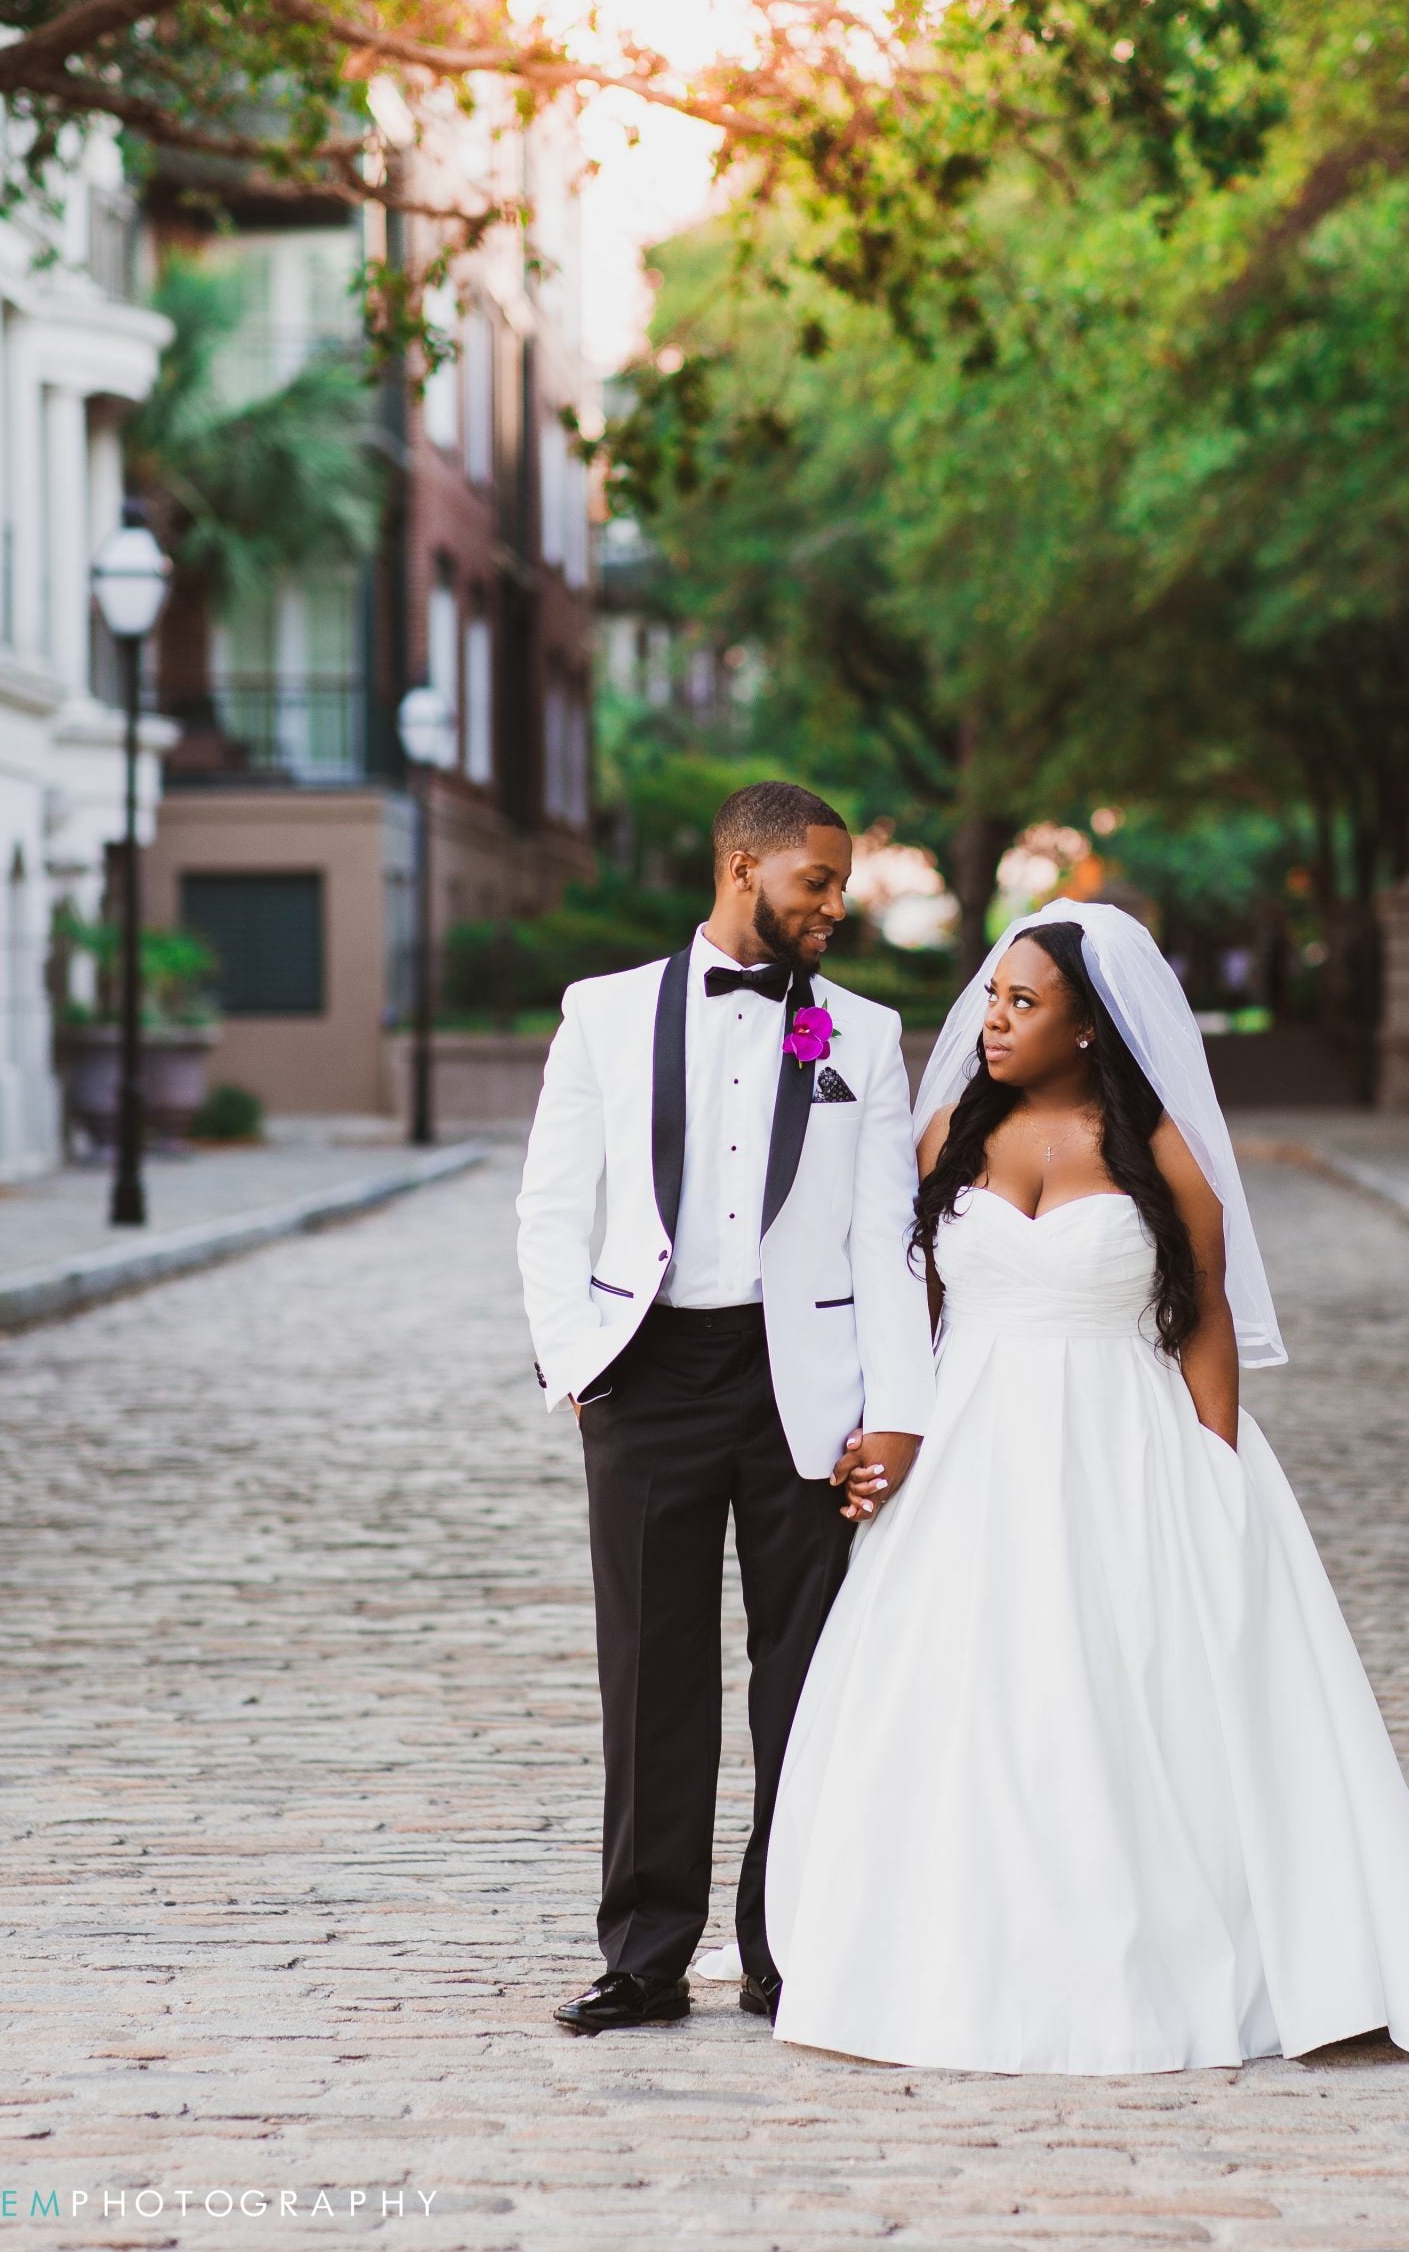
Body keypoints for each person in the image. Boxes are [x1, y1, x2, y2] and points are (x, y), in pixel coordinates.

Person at [763, 898, 1409, 2075]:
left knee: (1135, 1697)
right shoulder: (947, 1130)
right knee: (966, 1699)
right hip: (971, 1451)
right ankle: (937, 1954)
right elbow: (909, 1303)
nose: (990, 1021)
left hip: (1124, 1446)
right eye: (991, 998)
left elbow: (1199, 1317)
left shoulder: (1154, 1152)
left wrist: (1213, 1465)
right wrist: (887, 1423)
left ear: (1090, 1026)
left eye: (1021, 1003)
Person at [517, 781, 934, 2035]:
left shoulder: (861, 1034)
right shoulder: (601, 1013)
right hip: (645, 1374)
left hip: (801, 1386)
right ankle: (644, 1958)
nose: (832, 907)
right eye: (815, 881)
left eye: (840, 886)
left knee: (802, 1675)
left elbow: (886, 1239)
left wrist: (896, 1408)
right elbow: (550, 1205)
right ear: (742, 864)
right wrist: (577, 1365)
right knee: (649, 1672)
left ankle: (785, 1946)